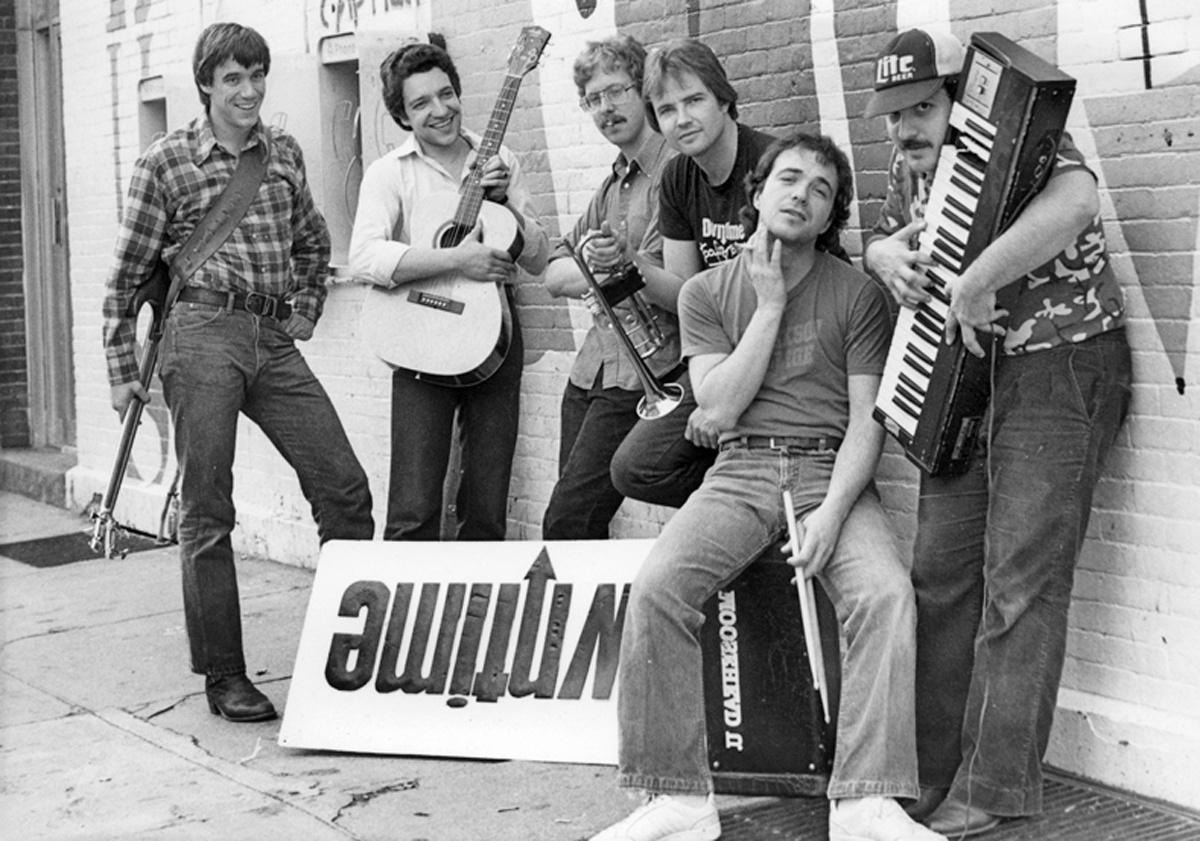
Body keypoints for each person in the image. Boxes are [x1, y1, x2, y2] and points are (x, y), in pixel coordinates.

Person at [589, 132, 945, 841]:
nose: (800, 194)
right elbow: (716, 410)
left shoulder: (858, 296)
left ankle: (865, 802)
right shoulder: (704, 291)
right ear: (756, 192)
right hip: (742, 467)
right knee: (659, 586)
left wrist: (834, 514)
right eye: (788, 178)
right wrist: (772, 304)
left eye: (820, 190)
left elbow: (865, 426)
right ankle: (680, 800)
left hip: (827, 470)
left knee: (885, 594)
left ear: (830, 216)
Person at [861, 28, 1131, 836]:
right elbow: (881, 244)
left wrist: (978, 279)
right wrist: (881, 256)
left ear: (957, 98)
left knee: (1022, 579)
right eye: (893, 114)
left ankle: (994, 787)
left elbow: (1079, 200)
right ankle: (923, 781)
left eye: (921, 108)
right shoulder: (910, 171)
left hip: (1061, 364)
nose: (906, 127)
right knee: (940, 575)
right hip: (964, 383)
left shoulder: (1020, 140)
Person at [102, 23, 375, 723]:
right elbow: (126, 279)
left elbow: (313, 240)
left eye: (256, 75)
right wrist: (119, 367)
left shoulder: (280, 152)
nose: (249, 90)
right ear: (206, 86)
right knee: (208, 509)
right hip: (198, 335)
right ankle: (224, 675)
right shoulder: (165, 163)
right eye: (232, 78)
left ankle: (345, 654)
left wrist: (307, 307)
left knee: (344, 487)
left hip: (271, 335)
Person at [349, 40, 549, 541]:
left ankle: (475, 614)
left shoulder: (499, 160)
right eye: (421, 103)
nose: (440, 110)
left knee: (485, 505)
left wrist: (507, 208)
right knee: (414, 507)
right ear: (402, 115)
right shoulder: (389, 172)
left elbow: (540, 256)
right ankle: (406, 616)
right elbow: (365, 258)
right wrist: (457, 259)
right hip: (420, 332)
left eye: (446, 94)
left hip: (494, 332)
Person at [607, 38, 778, 510]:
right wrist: (631, 262)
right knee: (634, 468)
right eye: (666, 109)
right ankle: (737, 510)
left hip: (780, 351)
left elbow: (788, 294)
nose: (681, 118)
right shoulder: (679, 177)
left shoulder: (771, 167)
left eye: (694, 100)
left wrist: (722, 396)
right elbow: (686, 293)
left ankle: (747, 512)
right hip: (716, 356)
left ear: (724, 99)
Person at [540, 36, 680, 540]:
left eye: (616, 91)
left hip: (645, 371)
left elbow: (654, 272)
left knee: (567, 523)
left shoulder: (673, 170)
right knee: (575, 522)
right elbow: (555, 274)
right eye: (593, 98)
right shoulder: (613, 182)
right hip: (591, 370)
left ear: (642, 91)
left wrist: (607, 270)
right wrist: (599, 273)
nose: (605, 108)